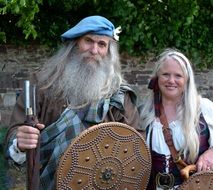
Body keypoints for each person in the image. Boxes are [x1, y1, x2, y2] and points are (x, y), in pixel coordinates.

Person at [4, 15, 139, 189]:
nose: (94, 50)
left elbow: (135, 144)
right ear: (75, 44)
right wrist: (20, 142)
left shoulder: (120, 95)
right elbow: (16, 130)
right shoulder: (43, 83)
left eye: (102, 44)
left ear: (108, 52)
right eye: (88, 41)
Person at [139, 48, 213, 189]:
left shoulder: (202, 108)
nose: (171, 80)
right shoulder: (144, 113)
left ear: (187, 80)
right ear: (157, 77)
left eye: (178, 76)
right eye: (165, 74)